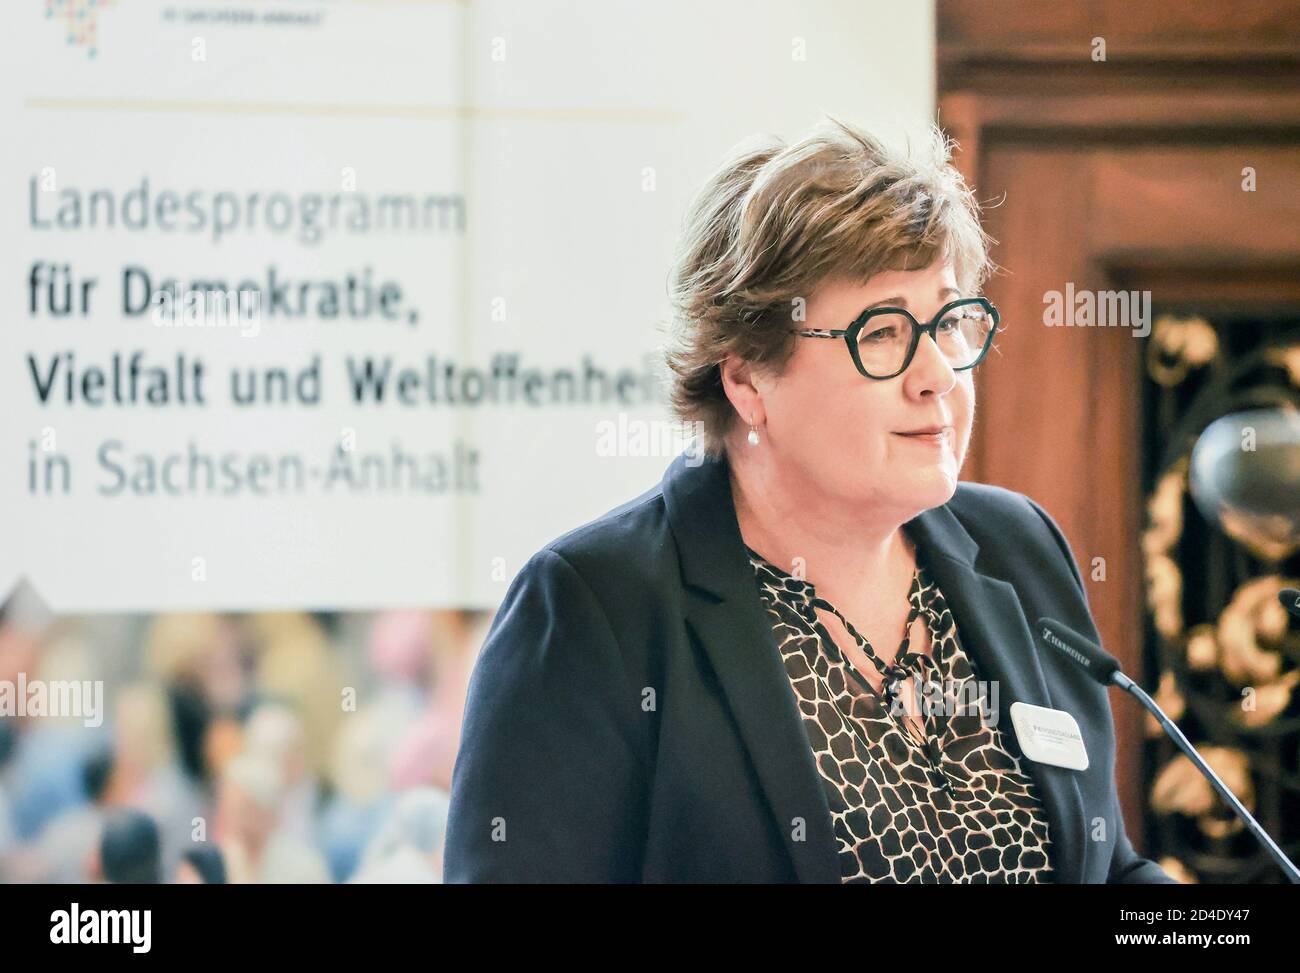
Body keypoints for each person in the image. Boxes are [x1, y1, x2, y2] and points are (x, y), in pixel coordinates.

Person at [443, 116, 1177, 884]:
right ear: (748, 379)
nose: (938, 373)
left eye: (950, 320)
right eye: (884, 331)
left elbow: (1106, 866)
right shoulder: (599, 610)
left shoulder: (1017, 546)